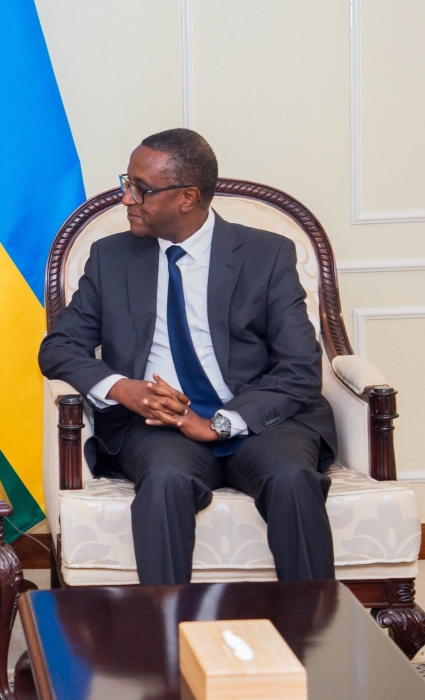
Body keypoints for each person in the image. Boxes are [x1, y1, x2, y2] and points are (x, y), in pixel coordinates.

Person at [38, 129, 337, 586]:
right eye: (127, 183)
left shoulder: (267, 255)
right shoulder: (111, 258)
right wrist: (125, 390)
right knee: (165, 481)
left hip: (261, 418)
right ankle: (166, 625)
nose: (126, 199)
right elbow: (58, 347)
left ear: (187, 197)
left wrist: (220, 424)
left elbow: (300, 369)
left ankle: (316, 624)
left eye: (141, 189)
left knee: (292, 478)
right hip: (159, 425)